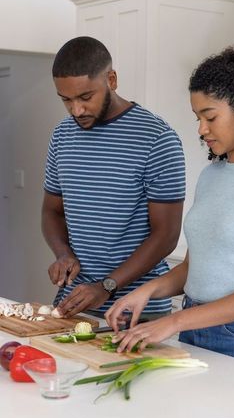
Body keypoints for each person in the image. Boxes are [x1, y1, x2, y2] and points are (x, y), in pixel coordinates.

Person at [105, 45, 234, 374]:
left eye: (210, 116)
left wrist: (173, 321)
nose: (201, 129)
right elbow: (196, 267)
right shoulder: (212, 175)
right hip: (194, 329)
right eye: (198, 118)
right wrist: (145, 292)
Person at [42, 36, 185, 319]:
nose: (77, 110)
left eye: (85, 97)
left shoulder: (157, 139)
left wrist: (108, 286)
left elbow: (166, 235)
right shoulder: (61, 135)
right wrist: (62, 253)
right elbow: (51, 211)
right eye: (66, 100)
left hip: (137, 311)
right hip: (74, 305)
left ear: (112, 79)